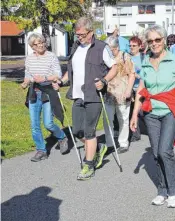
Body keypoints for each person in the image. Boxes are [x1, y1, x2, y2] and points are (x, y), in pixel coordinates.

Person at [130, 25, 175, 208]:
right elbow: (141, 90)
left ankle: (174, 191)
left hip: (170, 112)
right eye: (150, 41)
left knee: (165, 151)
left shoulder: (174, 60)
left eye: (158, 39)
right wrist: (135, 114)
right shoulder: (146, 62)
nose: (154, 43)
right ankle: (162, 190)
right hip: (151, 114)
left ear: (164, 40)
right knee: (156, 154)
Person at [54, 17, 117, 180]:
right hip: (77, 95)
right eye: (77, 34)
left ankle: (89, 165)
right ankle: (97, 147)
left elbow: (114, 67)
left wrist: (104, 81)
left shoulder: (101, 47)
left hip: (94, 96)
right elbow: (71, 71)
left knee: (89, 131)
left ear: (91, 32)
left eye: (81, 35)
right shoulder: (75, 47)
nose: (79, 38)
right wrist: (61, 81)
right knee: (76, 131)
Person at [21, 33, 68, 162]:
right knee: (34, 124)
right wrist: (25, 83)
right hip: (34, 93)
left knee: (48, 123)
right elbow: (28, 74)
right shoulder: (29, 58)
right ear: (32, 46)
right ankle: (41, 150)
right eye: (37, 43)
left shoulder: (51, 56)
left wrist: (45, 78)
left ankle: (62, 136)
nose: (41, 45)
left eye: (42, 42)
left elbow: (57, 74)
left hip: (48, 92)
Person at [104, 36, 135, 153]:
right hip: (109, 92)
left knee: (123, 119)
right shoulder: (105, 57)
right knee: (107, 119)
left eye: (111, 49)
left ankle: (123, 143)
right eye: (108, 49)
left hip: (122, 92)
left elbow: (132, 74)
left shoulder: (124, 56)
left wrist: (128, 90)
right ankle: (110, 143)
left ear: (116, 47)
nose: (110, 51)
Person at [129, 36, 145, 142]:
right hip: (131, 88)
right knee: (132, 111)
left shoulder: (144, 58)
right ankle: (135, 133)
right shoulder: (128, 58)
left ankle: (154, 127)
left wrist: (139, 76)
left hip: (142, 88)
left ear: (140, 46)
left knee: (143, 111)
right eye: (130, 46)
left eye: (134, 46)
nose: (132, 48)